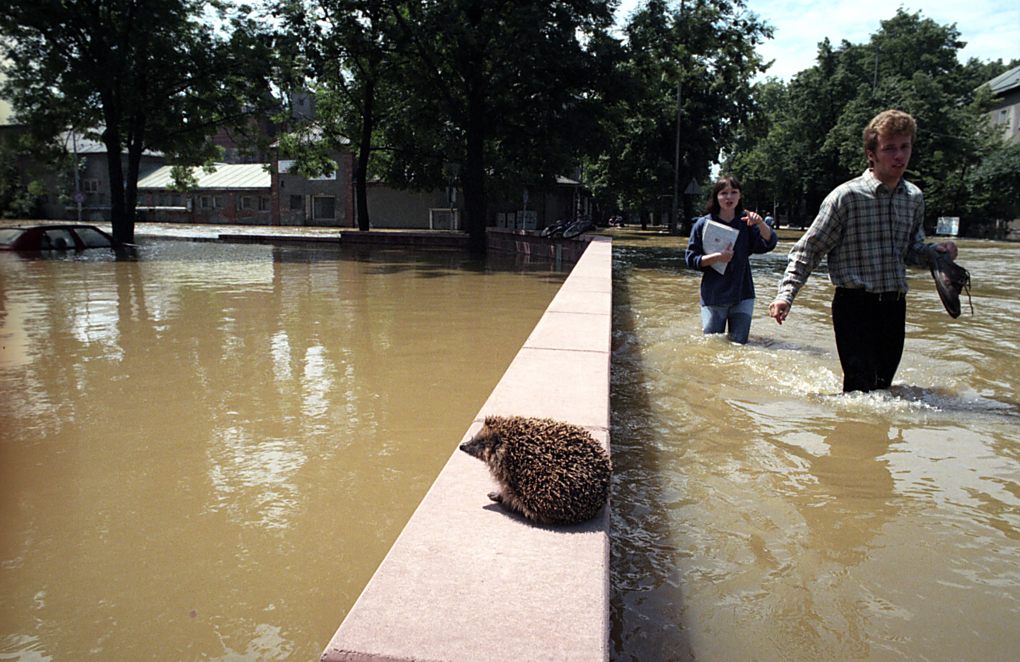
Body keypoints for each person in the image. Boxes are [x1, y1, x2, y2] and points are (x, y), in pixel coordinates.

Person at [768, 109, 958, 393]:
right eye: (889, 148)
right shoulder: (846, 197)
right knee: (859, 392)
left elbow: (910, 251)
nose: (899, 155)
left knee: (883, 391)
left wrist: (934, 252)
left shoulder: (914, 197)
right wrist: (786, 295)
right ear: (872, 154)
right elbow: (808, 250)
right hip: (854, 306)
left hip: (894, 306)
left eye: (904, 147)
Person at [685, 175, 778, 344]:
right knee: (713, 346)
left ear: (740, 196)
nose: (729, 197)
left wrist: (761, 223)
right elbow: (692, 259)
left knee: (739, 345)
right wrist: (717, 257)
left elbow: (767, 244)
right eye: (723, 193)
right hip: (714, 296)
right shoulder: (703, 224)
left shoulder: (746, 223)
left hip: (743, 294)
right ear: (716, 196)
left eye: (734, 192)